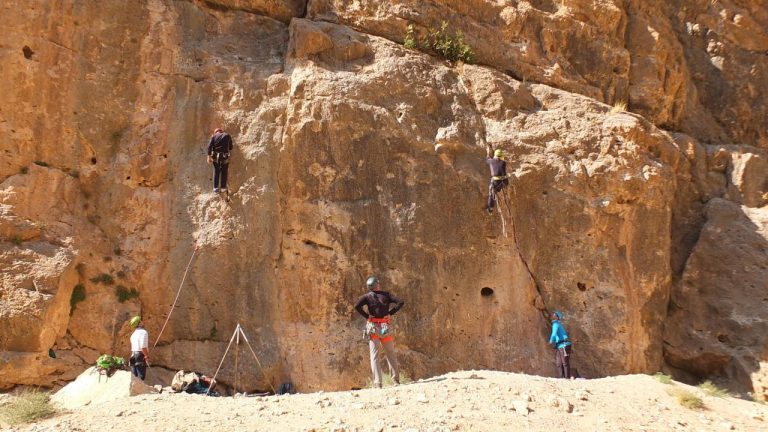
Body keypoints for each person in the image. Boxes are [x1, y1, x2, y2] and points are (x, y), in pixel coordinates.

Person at [354, 276, 405, 388]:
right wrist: (390, 313)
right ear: (377, 284)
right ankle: (395, 381)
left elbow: (357, 306)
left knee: (374, 355)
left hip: (373, 328)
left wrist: (367, 316)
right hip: (384, 327)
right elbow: (400, 302)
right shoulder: (386, 295)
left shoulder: (366, 297)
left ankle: (378, 383)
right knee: (390, 353)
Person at [206, 127, 234, 193]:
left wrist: (209, 157)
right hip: (224, 156)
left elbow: (209, 147)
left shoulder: (214, 136)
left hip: (216, 157)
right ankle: (223, 187)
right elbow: (231, 147)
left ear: (216, 132)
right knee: (224, 171)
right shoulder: (227, 135)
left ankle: (215, 188)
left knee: (216, 171)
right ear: (221, 131)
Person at [485, 143, 508, 214]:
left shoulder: (491, 161)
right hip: (504, 182)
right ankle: (499, 191)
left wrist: (488, 150)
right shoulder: (504, 162)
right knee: (498, 188)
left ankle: (490, 209)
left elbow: (488, 158)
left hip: (496, 182)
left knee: (491, 194)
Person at [549, 311, 572, 379]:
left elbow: (554, 334)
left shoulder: (556, 323)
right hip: (560, 345)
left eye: (554, 314)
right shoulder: (556, 323)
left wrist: (551, 340)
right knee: (559, 363)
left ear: (557, 317)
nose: (552, 315)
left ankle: (567, 378)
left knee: (564, 363)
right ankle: (561, 378)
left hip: (564, 345)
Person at [128, 315, 149, 380]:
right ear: (139, 323)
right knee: (141, 377)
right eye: (141, 321)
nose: (143, 322)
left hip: (132, 356)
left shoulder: (133, 334)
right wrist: (146, 355)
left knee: (135, 378)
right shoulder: (143, 332)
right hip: (139, 356)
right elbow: (143, 346)